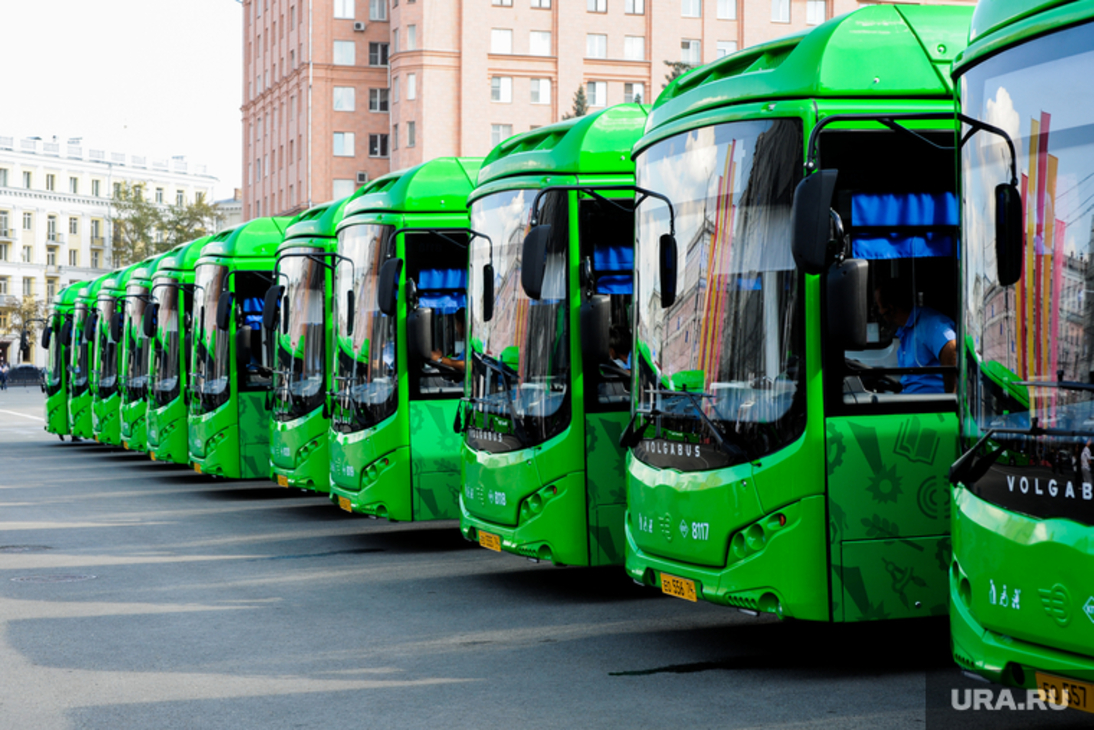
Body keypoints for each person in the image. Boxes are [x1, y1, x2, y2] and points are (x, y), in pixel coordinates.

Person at [874, 280, 957, 394]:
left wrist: (950, 396)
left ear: (890, 308)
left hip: (929, 406)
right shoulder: (905, 331)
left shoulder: (929, 322)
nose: (879, 312)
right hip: (910, 400)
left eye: (879, 308)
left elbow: (951, 347)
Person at [432, 307, 466, 374]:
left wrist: (439, 359)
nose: (456, 328)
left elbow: (466, 366)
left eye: (457, 324)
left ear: (462, 325)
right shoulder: (469, 346)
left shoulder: (474, 344)